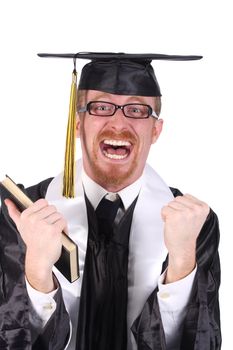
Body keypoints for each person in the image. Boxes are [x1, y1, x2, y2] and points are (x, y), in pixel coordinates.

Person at [0, 52, 221, 350]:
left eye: (137, 110)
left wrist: (181, 263)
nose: (118, 123)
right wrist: (38, 270)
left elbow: (202, 341)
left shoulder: (195, 224)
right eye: (101, 107)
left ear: (155, 130)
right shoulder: (24, 213)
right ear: (77, 124)